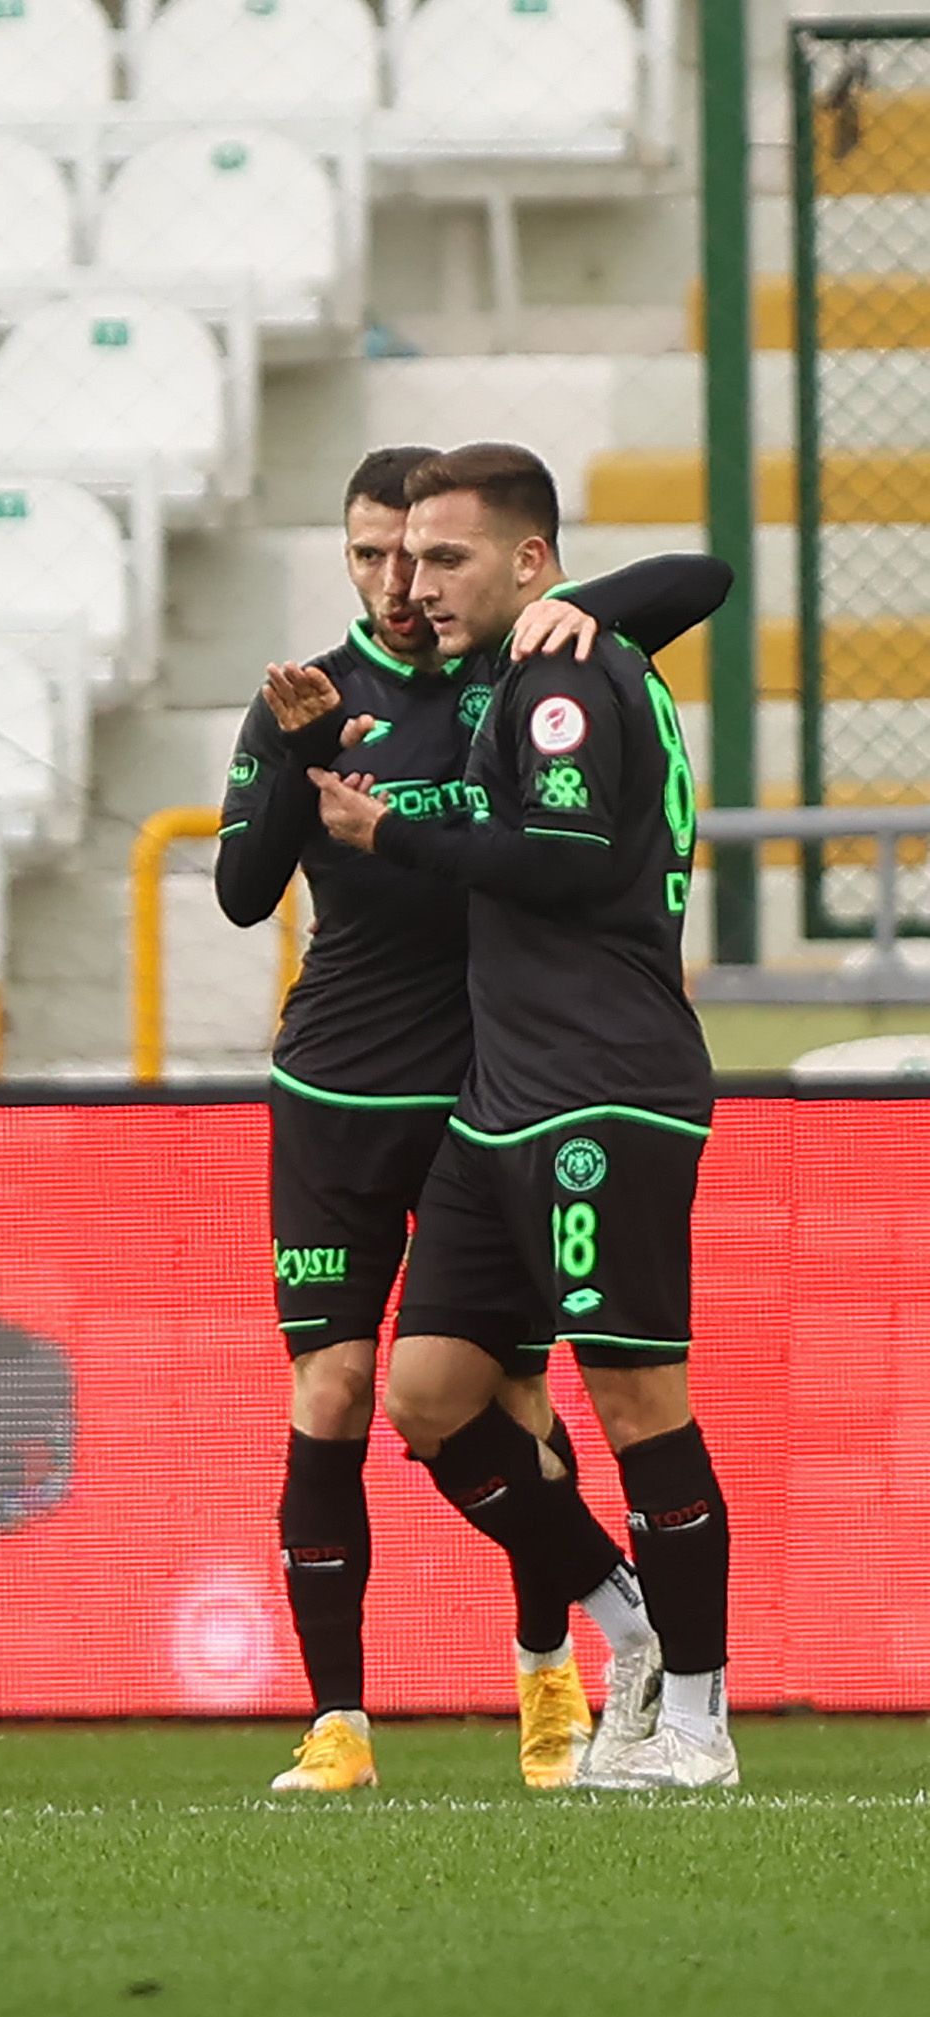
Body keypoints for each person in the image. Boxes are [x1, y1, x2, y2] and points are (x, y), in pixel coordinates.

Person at [216, 448, 733, 1794]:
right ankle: (602, 1640)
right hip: (467, 1092)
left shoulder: (553, 666)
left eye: (436, 555)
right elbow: (238, 882)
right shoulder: (334, 689)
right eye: (382, 555)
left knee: (614, 1394)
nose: (405, 581)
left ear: (514, 561)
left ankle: (674, 1710)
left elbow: (555, 846)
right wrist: (290, 760)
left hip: (580, 1077)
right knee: (416, 1392)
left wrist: (394, 833)